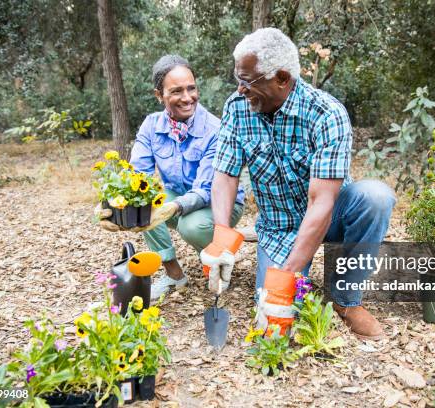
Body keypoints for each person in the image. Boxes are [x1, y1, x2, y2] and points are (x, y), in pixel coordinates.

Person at [199, 29, 395, 339]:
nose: (240, 89)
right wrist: (222, 235)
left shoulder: (326, 113)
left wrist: (287, 276)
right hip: (279, 227)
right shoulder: (237, 107)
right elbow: (225, 174)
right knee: (275, 326)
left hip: (329, 218)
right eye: (238, 79)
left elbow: (322, 203)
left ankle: (345, 300)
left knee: (376, 197)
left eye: (248, 81)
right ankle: (289, 285)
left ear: (281, 78)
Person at [98, 55, 245, 299]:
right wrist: (111, 205)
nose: (187, 98)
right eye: (177, 91)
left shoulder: (215, 130)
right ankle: (174, 275)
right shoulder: (151, 126)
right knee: (141, 203)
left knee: (191, 226)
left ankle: (218, 260)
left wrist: (173, 207)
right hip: (180, 198)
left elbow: (207, 189)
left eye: (191, 88)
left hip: (219, 203)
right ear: (159, 95)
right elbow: (136, 177)